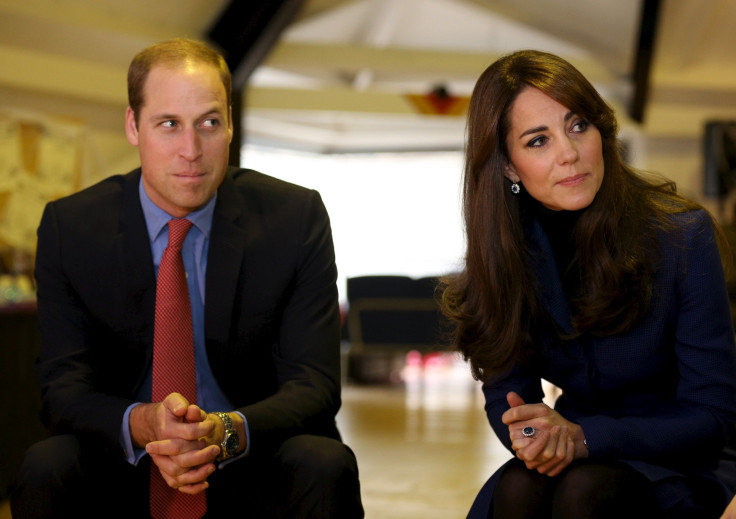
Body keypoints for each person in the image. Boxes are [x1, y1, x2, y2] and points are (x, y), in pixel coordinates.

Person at [10, 38, 363, 518]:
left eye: (209, 123)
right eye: (169, 124)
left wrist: (222, 431)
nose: (191, 150)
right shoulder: (71, 229)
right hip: (127, 459)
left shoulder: (294, 218)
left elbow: (315, 385)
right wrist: (145, 423)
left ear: (231, 125)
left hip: (248, 451)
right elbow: (62, 390)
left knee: (324, 463)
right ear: (134, 126)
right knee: (44, 467)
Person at [440, 49, 736, 518]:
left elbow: (714, 414)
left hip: (680, 456)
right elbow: (506, 393)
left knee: (585, 492)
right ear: (508, 167)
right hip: (579, 450)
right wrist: (535, 435)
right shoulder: (503, 254)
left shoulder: (682, 236)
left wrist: (585, 437)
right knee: (519, 486)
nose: (569, 153)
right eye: (538, 140)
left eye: (579, 126)